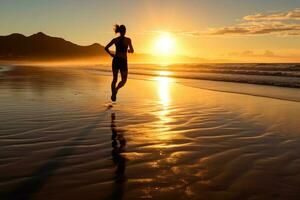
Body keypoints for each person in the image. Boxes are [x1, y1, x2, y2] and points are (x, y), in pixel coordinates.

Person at [105, 24, 134, 102]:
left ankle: (113, 94)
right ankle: (116, 90)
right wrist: (129, 51)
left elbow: (106, 48)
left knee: (114, 79)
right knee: (124, 80)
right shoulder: (128, 40)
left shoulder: (115, 40)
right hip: (123, 61)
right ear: (125, 31)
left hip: (116, 60)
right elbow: (132, 50)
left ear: (119, 31)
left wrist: (111, 54)